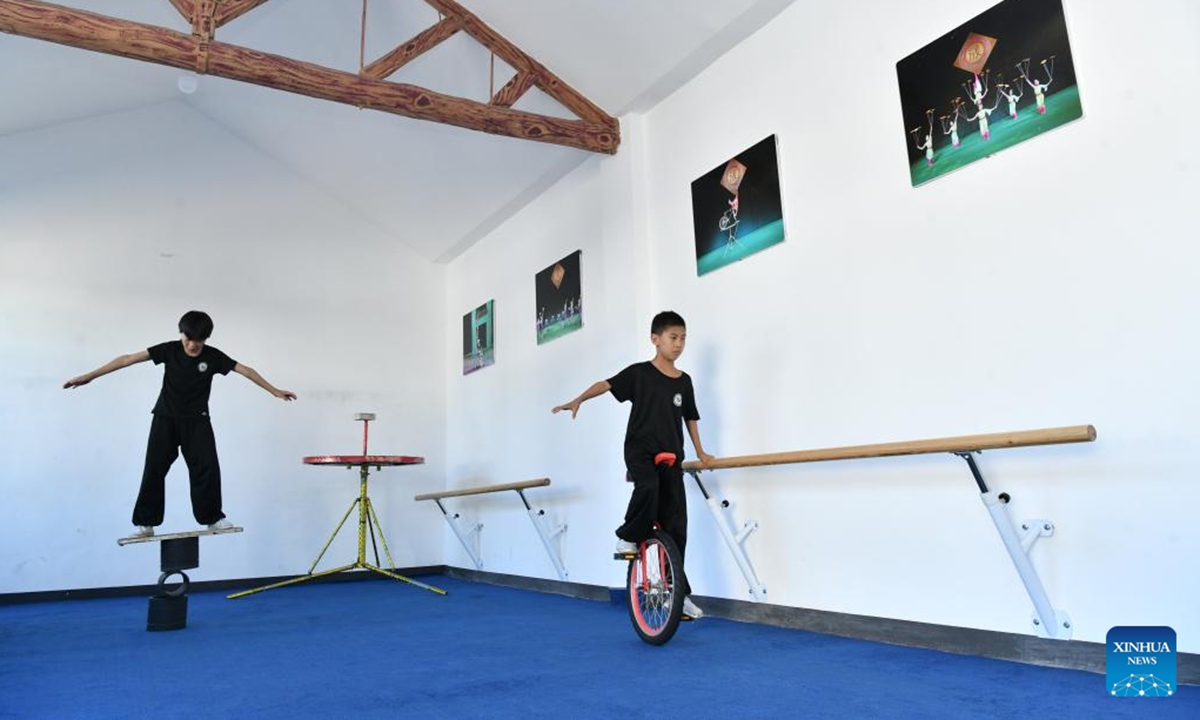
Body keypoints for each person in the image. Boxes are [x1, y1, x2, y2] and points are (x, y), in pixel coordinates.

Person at [63, 311, 296, 538]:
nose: (193, 345)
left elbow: (245, 370)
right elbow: (127, 359)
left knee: (207, 468)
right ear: (181, 334)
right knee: (154, 468)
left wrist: (274, 390)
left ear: (206, 339)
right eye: (188, 338)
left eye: (199, 340)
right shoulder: (169, 349)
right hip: (165, 419)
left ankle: (212, 518)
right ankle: (146, 522)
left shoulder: (213, 357)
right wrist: (90, 376)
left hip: (198, 422)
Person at [552, 310, 715, 619]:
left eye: (683, 339)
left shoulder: (685, 382)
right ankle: (628, 534)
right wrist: (578, 400)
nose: (679, 344)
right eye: (673, 338)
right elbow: (606, 384)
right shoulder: (640, 373)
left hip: (672, 455)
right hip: (639, 450)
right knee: (648, 486)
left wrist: (702, 452)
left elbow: (690, 418)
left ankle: (677, 596)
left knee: (677, 526)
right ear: (655, 340)